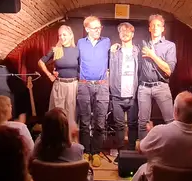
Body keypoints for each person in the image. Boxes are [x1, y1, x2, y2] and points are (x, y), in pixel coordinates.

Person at [132, 91, 192, 181]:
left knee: (143, 170)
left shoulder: (159, 132)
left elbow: (140, 149)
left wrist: (152, 134)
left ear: (175, 111)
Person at [31, 108, 94, 181]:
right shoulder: (78, 149)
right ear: (66, 129)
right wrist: (74, 138)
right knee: (88, 172)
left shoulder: (38, 148)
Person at [76, 16, 111, 167]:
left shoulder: (107, 41)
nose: (98, 30)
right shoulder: (80, 43)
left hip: (102, 85)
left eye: (99, 27)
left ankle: (96, 152)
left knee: (100, 121)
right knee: (84, 122)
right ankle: (85, 151)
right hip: (84, 85)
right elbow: (73, 59)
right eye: (95, 28)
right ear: (87, 29)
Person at [137, 14, 177, 140]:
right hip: (144, 87)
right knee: (142, 123)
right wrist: (116, 47)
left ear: (163, 28)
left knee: (170, 121)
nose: (155, 28)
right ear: (149, 28)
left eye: (158, 25)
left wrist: (152, 55)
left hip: (161, 86)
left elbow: (169, 70)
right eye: (153, 25)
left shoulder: (169, 46)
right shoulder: (142, 43)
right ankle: (143, 149)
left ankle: (171, 148)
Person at [38, 25, 79, 123]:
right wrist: (50, 75)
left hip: (73, 86)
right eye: (60, 35)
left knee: (71, 117)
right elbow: (40, 62)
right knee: (57, 116)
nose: (62, 37)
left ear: (71, 35)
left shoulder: (77, 50)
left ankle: (70, 133)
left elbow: (82, 68)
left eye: (64, 35)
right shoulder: (56, 50)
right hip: (59, 86)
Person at [109, 22, 139, 150]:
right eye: (122, 31)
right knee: (119, 125)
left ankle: (131, 150)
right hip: (117, 95)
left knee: (133, 124)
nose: (124, 33)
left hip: (133, 95)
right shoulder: (114, 51)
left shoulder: (137, 51)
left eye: (127, 31)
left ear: (133, 34)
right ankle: (121, 152)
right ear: (119, 34)